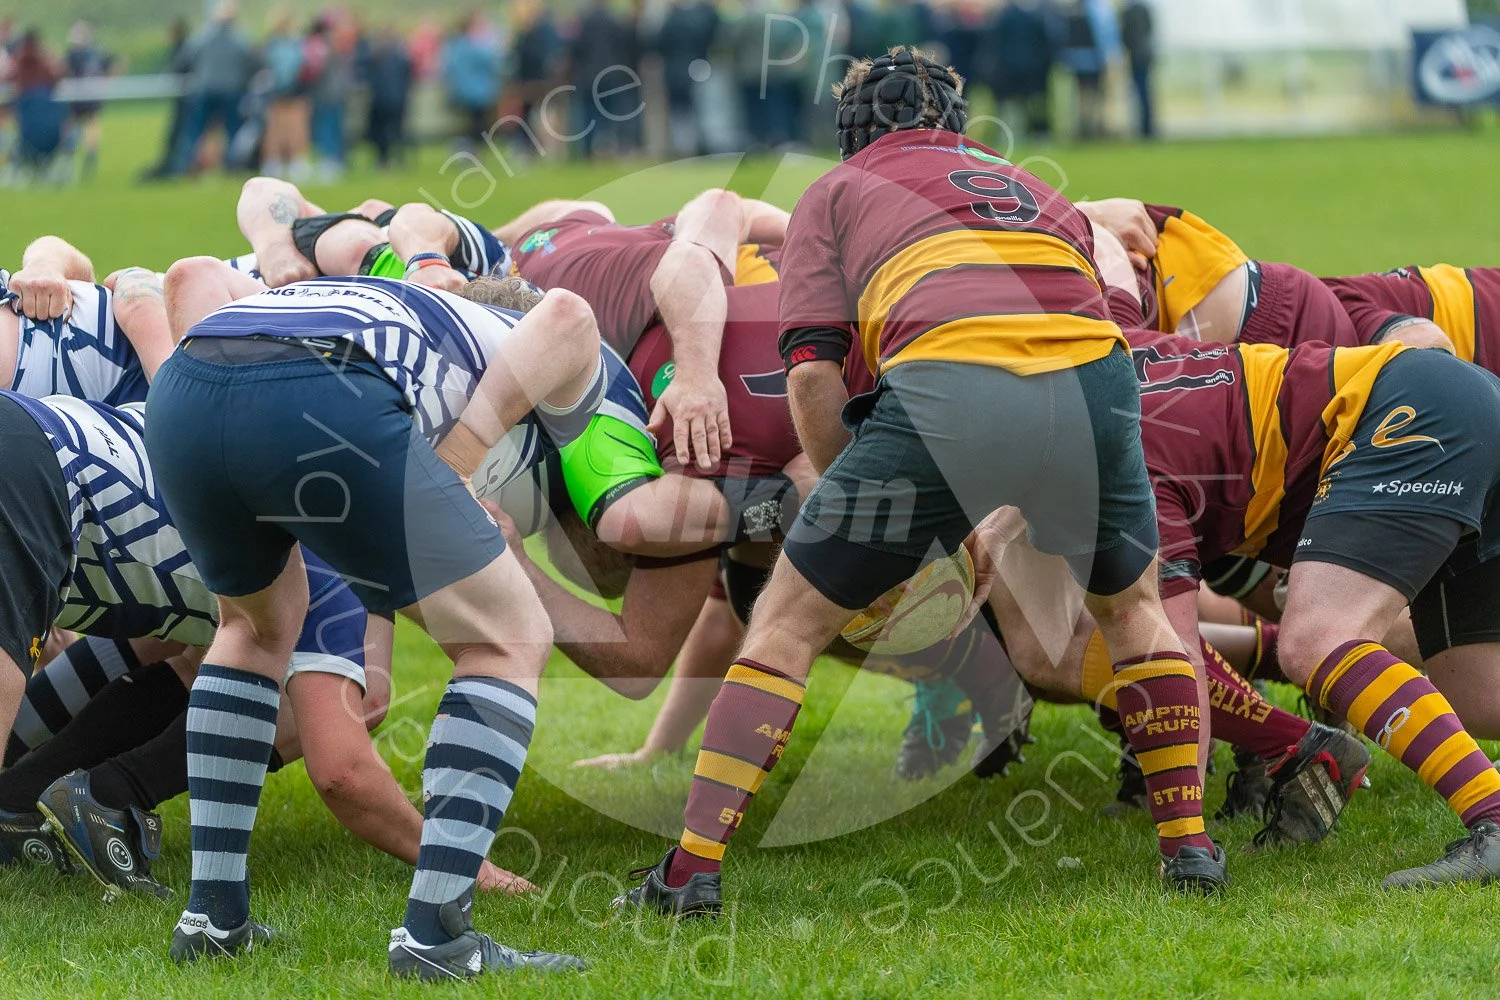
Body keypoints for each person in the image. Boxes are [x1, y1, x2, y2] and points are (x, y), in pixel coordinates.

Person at [614, 49, 1222, 920]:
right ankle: (1190, 849)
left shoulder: (836, 188)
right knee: (1132, 611)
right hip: (1096, 382)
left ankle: (692, 870)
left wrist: (851, 497)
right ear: (955, 122)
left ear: (851, 131)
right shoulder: (1029, 184)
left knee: (786, 621)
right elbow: (1066, 324)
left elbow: (815, 375)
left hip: (949, 383)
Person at [144, 260, 598, 975]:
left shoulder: (397, 311)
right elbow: (570, 312)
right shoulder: (519, 335)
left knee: (256, 628)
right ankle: (437, 938)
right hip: (319, 391)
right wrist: (461, 458)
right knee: (509, 635)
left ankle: (213, 919)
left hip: (186, 385)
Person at [165, 1, 258, 177]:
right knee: (232, 131)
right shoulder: (241, 38)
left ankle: (187, 166)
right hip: (232, 90)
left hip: (205, 88)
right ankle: (232, 166)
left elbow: (184, 59)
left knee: (195, 131)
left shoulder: (202, 36)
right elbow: (252, 61)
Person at [258, 8, 310, 181]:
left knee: (276, 129)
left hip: (276, 93)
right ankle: (294, 163)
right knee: (293, 128)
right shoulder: (295, 45)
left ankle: (275, 163)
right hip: (292, 92)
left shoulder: (270, 45)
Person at [441, 12, 502, 151]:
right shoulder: (475, 45)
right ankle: (473, 150)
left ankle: (468, 149)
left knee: (471, 124)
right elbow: (492, 62)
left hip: (463, 91)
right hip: (477, 92)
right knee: (478, 124)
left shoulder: (455, 45)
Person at [62, 21, 113, 181]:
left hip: (80, 96)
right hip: (89, 96)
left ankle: (72, 156)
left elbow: (63, 71)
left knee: (76, 124)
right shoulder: (94, 53)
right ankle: (84, 155)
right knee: (88, 124)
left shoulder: (75, 55)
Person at [363, 25, 412, 170]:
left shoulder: (375, 55)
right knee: (396, 131)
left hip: (381, 99)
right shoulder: (401, 56)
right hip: (397, 99)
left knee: (382, 133)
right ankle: (397, 160)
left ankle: (384, 161)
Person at [1121, 0, 1156, 139]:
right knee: (1146, 92)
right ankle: (1147, 127)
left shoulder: (1127, 12)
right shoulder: (1145, 9)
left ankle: (1143, 127)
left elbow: (1126, 35)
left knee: (1139, 92)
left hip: (1136, 56)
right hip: (1146, 54)